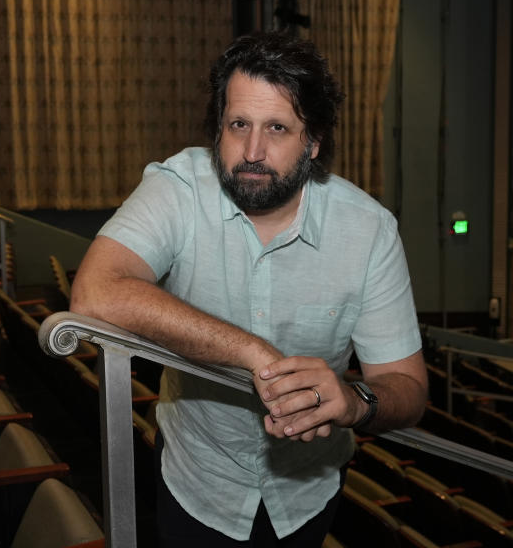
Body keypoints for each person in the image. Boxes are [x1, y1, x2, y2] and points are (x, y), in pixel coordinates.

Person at [70, 31, 428, 546]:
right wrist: (253, 353)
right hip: (196, 479)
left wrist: (356, 403)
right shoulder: (179, 187)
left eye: (277, 128)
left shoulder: (369, 232)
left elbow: (407, 388)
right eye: (239, 124)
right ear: (220, 127)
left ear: (314, 142)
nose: (252, 151)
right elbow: (95, 293)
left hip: (307, 493)